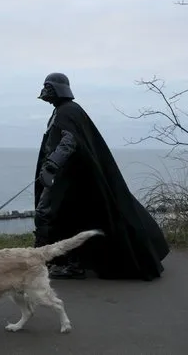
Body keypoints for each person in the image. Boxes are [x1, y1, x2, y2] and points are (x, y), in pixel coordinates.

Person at [33, 72, 170, 281]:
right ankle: (63, 262)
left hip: (66, 178)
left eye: (47, 87)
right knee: (68, 219)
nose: (44, 92)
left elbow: (69, 141)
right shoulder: (64, 111)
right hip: (67, 178)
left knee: (46, 215)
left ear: (56, 89)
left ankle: (38, 263)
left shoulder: (67, 111)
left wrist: (53, 164)